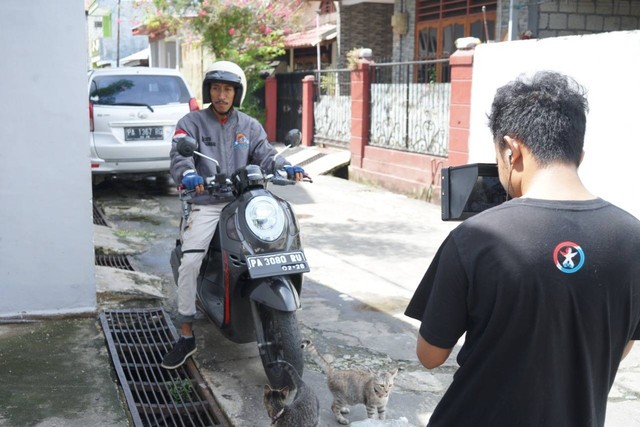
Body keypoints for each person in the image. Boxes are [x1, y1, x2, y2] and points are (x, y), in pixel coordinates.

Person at [405, 71, 640, 426]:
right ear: (579, 152)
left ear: (511, 149)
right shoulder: (632, 237)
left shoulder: (477, 237)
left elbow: (430, 354)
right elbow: (621, 345)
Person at [162, 60, 305, 370]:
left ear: (236, 93)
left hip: (245, 202)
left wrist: (286, 167)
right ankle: (186, 334)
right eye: (216, 88)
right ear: (208, 90)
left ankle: (283, 319)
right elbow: (179, 157)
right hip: (209, 202)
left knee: (279, 243)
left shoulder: (249, 126)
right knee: (190, 262)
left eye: (227, 89)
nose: (221, 94)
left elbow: (267, 155)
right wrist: (188, 175)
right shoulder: (192, 123)